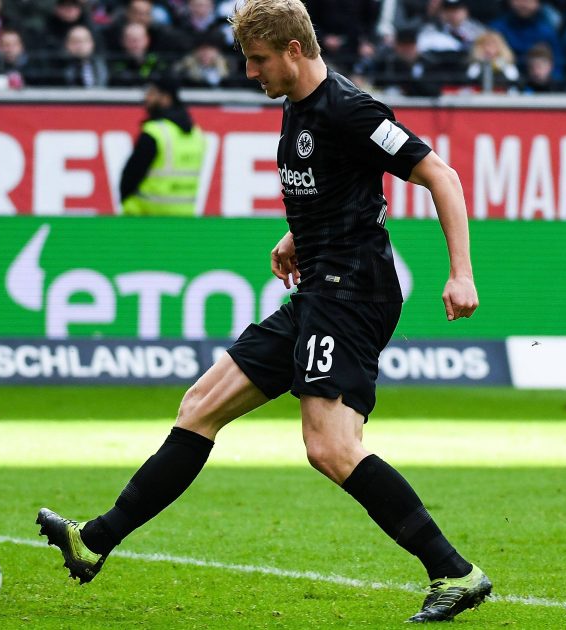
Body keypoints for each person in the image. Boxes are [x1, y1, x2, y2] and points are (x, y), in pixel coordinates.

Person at [36, 0, 491, 624]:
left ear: (294, 51)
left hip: (354, 292)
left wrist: (460, 273)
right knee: (201, 405)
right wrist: (295, 237)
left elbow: (442, 176)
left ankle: (454, 573)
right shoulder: (297, 110)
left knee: (330, 447)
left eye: (258, 60)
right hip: (319, 287)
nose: (251, 72)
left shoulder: (352, 110)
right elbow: (335, 191)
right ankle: (94, 540)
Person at [118, 73, 205, 216]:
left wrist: (127, 202)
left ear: (166, 98)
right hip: (184, 217)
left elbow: (131, 176)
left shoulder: (154, 133)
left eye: (151, 93)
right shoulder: (196, 134)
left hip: (146, 216)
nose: (146, 98)